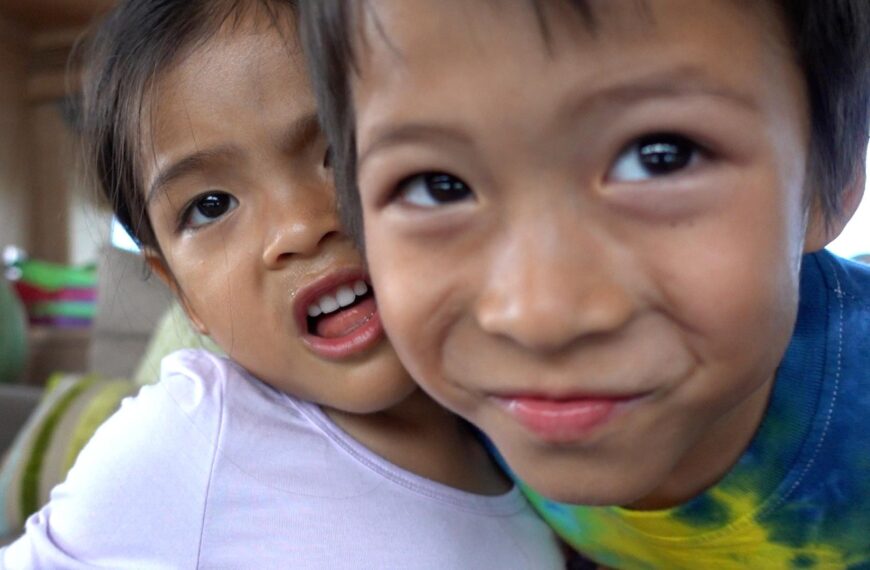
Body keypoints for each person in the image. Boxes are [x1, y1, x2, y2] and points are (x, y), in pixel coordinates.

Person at [300, 1, 870, 568]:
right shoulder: (438, 416)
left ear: (833, 181)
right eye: (437, 186)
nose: (538, 317)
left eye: (660, 158)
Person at [0, 1, 565, 568]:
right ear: (182, 293)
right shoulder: (194, 434)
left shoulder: (530, 427)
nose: (298, 228)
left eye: (338, 151)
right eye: (211, 205)